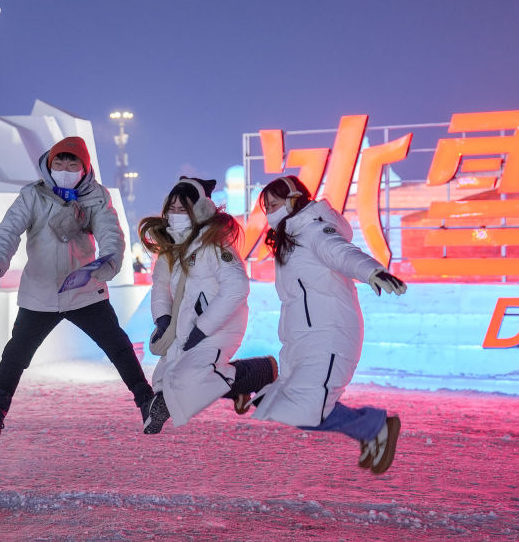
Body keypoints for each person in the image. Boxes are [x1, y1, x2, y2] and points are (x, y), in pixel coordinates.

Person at [0, 136, 157, 446]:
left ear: (83, 168)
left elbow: (111, 234)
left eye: (72, 164)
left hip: (83, 289)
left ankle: (148, 403)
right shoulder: (33, 195)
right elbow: (9, 229)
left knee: (117, 345)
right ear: (49, 166)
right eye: (58, 162)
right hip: (41, 291)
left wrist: (109, 262)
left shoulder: (96, 197)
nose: (64, 168)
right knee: (16, 354)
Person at [249, 175, 407, 474]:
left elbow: (340, 251)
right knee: (286, 405)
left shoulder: (313, 229)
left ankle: (375, 427)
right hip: (304, 339)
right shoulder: (291, 238)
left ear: (295, 199)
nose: (270, 211)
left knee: (304, 409)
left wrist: (372, 271)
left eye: (275, 203)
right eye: (266, 206)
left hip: (330, 334)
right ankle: (370, 429)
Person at [136, 177, 277, 434]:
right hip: (185, 327)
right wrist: (163, 318)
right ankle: (239, 388)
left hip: (218, 327)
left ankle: (261, 371)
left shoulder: (215, 243)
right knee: (164, 379)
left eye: (183, 209)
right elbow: (160, 285)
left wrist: (203, 328)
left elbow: (237, 287)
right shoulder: (171, 246)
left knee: (188, 378)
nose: (176, 215)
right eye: (172, 209)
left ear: (200, 210)